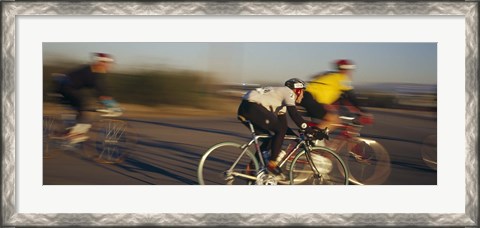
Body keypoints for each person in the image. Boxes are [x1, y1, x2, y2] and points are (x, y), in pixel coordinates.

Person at [237, 78, 327, 177]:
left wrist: (298, 139)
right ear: (297, 90)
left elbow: (284, 127)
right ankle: (272, 163)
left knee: (270, 138)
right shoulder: (289, 93)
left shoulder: (281, 100)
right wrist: (310, 131)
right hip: (252, 107)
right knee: (278, 130)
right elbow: (295, 115)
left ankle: (250, 168)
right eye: (302, 92)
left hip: (245, 108)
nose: (302, 95)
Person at [299, 59, 372, 158]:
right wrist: (363, 112)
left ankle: (316, 148)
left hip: (308, 98)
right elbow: (351, 96)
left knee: (328, 120)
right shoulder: (341, 78)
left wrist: (355, 110)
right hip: (310, 99)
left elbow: (343, 98)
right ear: (345, 70)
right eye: (350, 70)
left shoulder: (332, 77)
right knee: (334, 120)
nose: (350, 73)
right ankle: (312, 142)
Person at [53, 52, 120, 144]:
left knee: (90, 106)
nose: (108, 66)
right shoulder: (92, 72)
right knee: (88, 108)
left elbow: (101, 90)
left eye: (109, 64)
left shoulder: (94, 70)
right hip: (66, 89)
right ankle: (75, 134)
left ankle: (68, 131)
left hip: (69, 88)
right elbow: (101, 89)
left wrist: (108, 102)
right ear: (100, 62)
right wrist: (112, 105)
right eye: (106, 63)